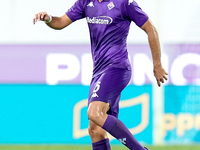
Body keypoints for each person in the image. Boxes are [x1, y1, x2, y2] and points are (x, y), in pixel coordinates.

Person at [33, 0, 168, 149]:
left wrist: (157, 65)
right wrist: (49, 19)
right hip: (98, 71)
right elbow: (60, 22)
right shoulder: (85, 2)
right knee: (95, 130)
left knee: (94, 112)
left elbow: (151, 29)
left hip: (117, 67)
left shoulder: (124, 3)